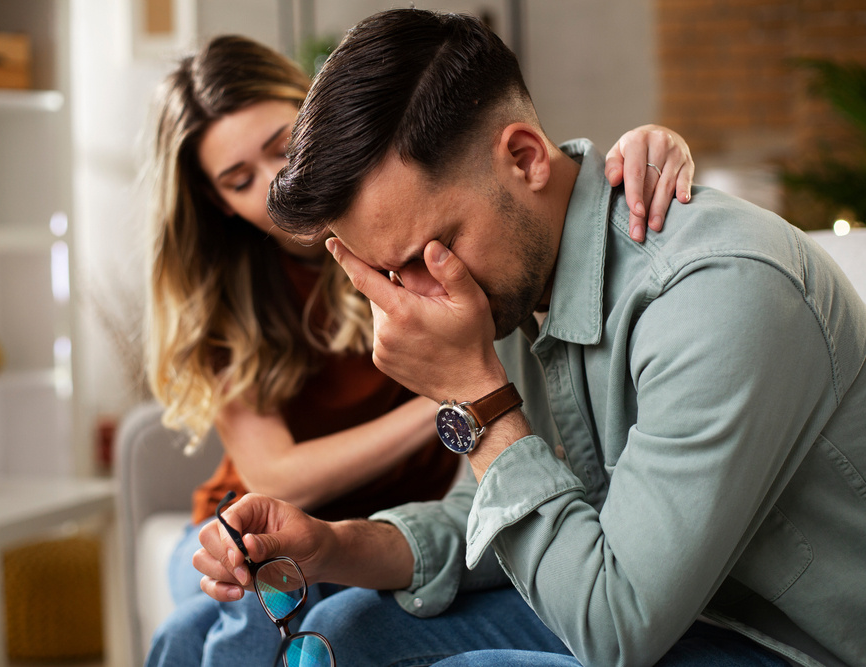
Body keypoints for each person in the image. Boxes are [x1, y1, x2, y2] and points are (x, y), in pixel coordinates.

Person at [195, 9, 866, 667]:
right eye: (392, 272)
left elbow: (615, 629)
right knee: (346, 628)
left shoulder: (716, 293)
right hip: (671, 615)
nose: (422, 299)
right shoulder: (512, 284)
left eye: (431, 252)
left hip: (802, 643)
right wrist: (333, 544)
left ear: (524, 158)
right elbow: (491, 518)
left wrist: (475, 397)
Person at [143, 33, 697, 667]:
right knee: (215, 617)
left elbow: (540, 192)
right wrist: (464, 397)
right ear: (216, 202)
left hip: (401, 515)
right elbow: (275, 475)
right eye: (240, 180)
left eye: (283, 149)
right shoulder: (231, 295)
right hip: (286, 516)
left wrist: (649, 147)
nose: (274, 185)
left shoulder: (433, 228)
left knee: (263, 620)